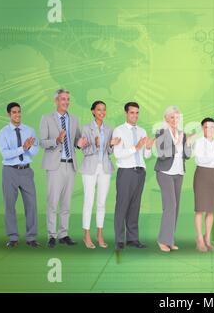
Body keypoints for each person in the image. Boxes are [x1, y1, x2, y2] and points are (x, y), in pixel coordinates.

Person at [39, 89, 88, 248]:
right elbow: (43, 142)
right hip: (55, 165)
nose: (66, 102)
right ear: (56, 101)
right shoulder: (46, 118)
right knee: (53, 202)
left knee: (66, 203)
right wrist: (57, 140)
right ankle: (51, 235)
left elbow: (76, 140)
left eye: (68, 99)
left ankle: (63, 234)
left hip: (70, 165)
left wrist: (80, 143)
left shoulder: (74, 119)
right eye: (62, 99)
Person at [113, 102, 154, 251]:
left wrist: (148, 148)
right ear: (126, 113)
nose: (135, 115)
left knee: (135, 207)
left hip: (140, 172)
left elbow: (146, 156)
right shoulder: (119, 131)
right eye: (132, 113)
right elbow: (118, 154)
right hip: (126, 172)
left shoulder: (142, 131)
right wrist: (135, 147)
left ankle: (132, 239)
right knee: (122, 206)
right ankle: (119, 240)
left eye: (137, 113)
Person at [0, 102, 40, 248]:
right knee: (10, 204)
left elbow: (34, 151)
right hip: (10, 171)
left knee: (31, 204)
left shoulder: (29, 130)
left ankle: (31, 237)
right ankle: (13, 237)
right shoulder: (3, 133)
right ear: (8, 114)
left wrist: (29, 148)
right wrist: (23, 147)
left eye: (19, 112)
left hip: (26, 171)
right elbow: (6, 154)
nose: (17, 115)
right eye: (14, 112)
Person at [80, 100, 121, 249]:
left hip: (105, 168)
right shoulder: (86, 128)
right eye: (99, 110)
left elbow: (109, 152)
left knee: (101, 203)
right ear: (93, 111)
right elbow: (84, 151)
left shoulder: (109, 129)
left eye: (104, 109)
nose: (102, 112)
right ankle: (86, 235)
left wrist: (111, 144)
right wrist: (96, 145)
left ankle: (99, 234)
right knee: (88, 201)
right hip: (90, 168)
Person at [154, 106, 195, 252]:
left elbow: (187, 156)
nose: (175, 120)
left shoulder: (182, 134)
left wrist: (189, 143)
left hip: (178, 173)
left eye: (177, 117)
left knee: (176, 206)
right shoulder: (160, 133)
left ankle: (169, 240)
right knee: (170, 204)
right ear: (166, 118)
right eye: (172, 117)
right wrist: (177, 145)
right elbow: (161, 154)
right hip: (164, 172)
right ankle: (162, 240)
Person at [193, 117, 214, 252]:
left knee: (211, 209)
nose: (210, 130)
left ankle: (207, 238)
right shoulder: (199, 142)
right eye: (207, 127)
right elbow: (202, 160)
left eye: (212, 127)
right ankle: (200, 238)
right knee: (200, 208)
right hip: (201, 174)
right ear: (203, 129)